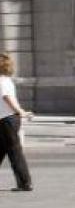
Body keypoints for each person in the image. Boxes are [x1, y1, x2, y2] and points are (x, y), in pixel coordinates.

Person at [0, 52, 33, 192]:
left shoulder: (2, 81)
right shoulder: (6, 80)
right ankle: (25, 182)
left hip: (7, 119)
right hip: (6, 119)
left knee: (14, 152)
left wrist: (20, 111)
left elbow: (7, 98)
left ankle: (25, 183)